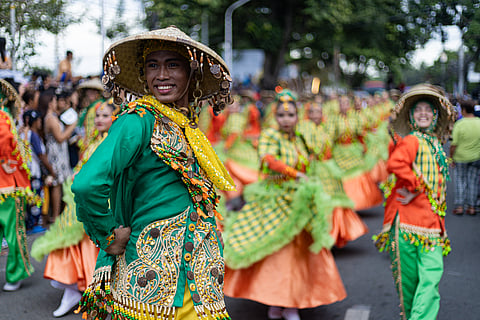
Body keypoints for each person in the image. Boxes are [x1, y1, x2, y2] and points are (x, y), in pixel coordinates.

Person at [71, 26, 235, 320]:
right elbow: (86, 184)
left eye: (172, 64)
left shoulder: (186, 126)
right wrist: (109, 237)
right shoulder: (137, 121)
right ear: (144, 74)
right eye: (152, 65)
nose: (161, 75)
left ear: (191, 73)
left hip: (201, 275)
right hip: (152, 278)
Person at [223, 90, 346, 320]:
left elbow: (316, 157)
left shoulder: (300, 138)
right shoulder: (270, 135)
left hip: (300, 200)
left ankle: (290, 304)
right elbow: (268, 159)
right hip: (275, 199)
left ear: (297, 117)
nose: (286, 120)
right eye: (281, 115)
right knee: (276, 254)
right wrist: (293, 173)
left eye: (290, 116)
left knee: (299, 255)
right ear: (275, 117)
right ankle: (278, 302)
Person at [373, 84, 456, 320]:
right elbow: (395, 164)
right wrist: (414, 185)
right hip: (408, 223)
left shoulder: (437, 146)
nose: (423, 113)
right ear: (411, 116)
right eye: (417, 109)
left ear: (435, 115)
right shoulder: (412, 141)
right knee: (410, 285)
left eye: (428, 109)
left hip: (431, 224)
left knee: (430, 280)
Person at [31, 99, 119, 317]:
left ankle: (94, 292)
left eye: (105, 116)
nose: (99, 119)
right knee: (70, 245)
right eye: (97, 116)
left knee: (90, 248)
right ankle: (76, 290)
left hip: (101, 205)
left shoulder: (114, 143)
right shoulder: (95, 141)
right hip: (80, 203)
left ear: (115, 118)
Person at [0, 78, 35, 291]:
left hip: (8, 185)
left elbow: (3, 144)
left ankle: (16, 273)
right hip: (6, 184)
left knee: (13, 232)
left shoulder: (3, 117)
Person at [44, 90, 76, 223]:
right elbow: (60, 137)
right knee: (57, 185)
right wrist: (73, 125)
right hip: (56, 154)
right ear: (50, 102)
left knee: (61, 184)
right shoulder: (50, 118)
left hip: (60, 154)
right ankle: (56, 216)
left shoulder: (54, 115)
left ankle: (60, 215)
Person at [21, 110, 55, 233]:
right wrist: (51, 170)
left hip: (28, 172)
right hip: (33, 172)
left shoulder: (24, 133)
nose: (40, 122)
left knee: (32, 199)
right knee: (35, 198)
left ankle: (31, 224)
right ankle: (33, 225)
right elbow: (41, 155)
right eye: (38, 120)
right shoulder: (32, 135)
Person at [450, 99, 480, 215]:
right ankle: (472, 207)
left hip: (460, 157)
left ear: (463, 110)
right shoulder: (479, 122)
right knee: (473, 182)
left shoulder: (460, 124)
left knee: (460, 181)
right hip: (476, 157)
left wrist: (451, 158)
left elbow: (454, 144)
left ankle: (460, 207)